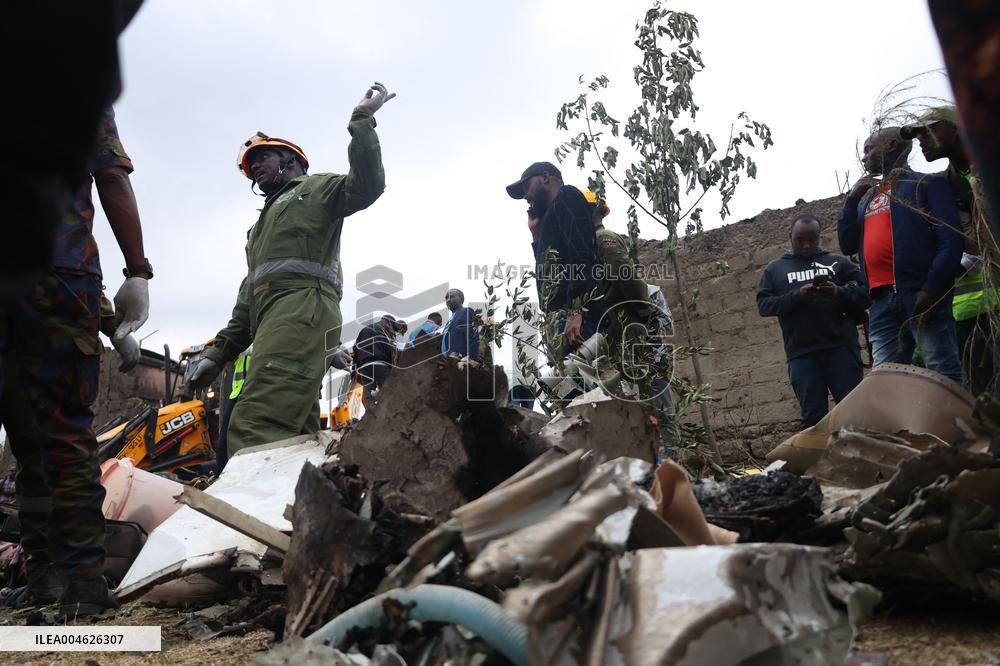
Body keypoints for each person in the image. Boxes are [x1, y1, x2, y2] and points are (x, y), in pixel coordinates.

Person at [187, 83, 394, 455]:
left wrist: (362, 121)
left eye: (262, 159)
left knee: (256, 425)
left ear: (291, 159)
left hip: (303, 310)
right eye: (250, 168)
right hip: (275, 318)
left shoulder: (315, 189)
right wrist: (216, 355)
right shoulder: (259, 229)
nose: (255, 171)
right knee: (294, 438)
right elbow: (247, 305)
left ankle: (242, 512)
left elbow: (368, 186)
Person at [0, 107, 151, 617]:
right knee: (62, 435)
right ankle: (82, 585)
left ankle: (43, 574)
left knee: (31, 443)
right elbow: (110, 174)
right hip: (59, 274)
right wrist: (137, 269)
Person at [838, 127, 965, 383]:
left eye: (869, 149)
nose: (864, 158)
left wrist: (931, 289)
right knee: (885, 381)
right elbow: (847, 244)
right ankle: (905, 425)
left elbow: (951, 241)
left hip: (920, 294)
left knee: (942, 372)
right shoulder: (867, 200)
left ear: (893, 145)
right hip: (881, 301)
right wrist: (851, 201)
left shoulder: (925, 184)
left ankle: (956, 423)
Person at [903, 105, 997, 394]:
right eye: (917, 136)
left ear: (956, 128)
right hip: (974, 314)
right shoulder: (943, 185)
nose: (922, 141)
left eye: (929, 131)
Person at [758, 215, 870, 429]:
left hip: (841, 348)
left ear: (820, 237)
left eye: (812, 239)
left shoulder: (839, 263)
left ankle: (862, 459)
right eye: (800, 240)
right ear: (790, 236)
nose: (807, 245)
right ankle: (815, 462)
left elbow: (866, 295)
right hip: (802, 354)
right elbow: (764, 306)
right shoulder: (775, 269)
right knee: (813, 418)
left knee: (853, 413)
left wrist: (838, 292)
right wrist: (798, 296)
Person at [507, 162, 601, 352]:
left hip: (575, 317)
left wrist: (577, 311)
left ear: (545, 178)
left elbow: (581, 256)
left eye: (526, 187)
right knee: (571, 379)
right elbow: (548, 268)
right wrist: (536, 235)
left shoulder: (567, 196)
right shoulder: (552, 215)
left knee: (584, 378)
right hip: (561, 318)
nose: (525, 195)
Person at [354, 314, 399, 400]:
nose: (392, 329)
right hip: (381, 366)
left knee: (368, 397)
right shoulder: (383, 331)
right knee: (387, 394)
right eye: (392, 326)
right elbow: (389, 350)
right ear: (387, 322)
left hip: (364, 368)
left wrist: (356, 369)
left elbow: (356, 348)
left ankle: (369, 411)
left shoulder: (365, 329)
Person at [441, 289, 480, 359]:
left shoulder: (466, 312)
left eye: (452, 297)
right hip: (449, 362)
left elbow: (473, 337)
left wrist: (470, 358)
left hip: (461, 362)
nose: (448, 300)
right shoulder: (449, 321)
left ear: (460, 299)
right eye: (446, 298)